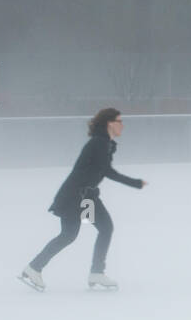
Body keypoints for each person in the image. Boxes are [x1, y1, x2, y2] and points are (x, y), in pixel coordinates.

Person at [19, 108, 147, 292]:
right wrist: (136, 183)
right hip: (74, 197)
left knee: (103, 228)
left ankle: (96, 272)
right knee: (69, 235)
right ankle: (34, 268)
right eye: (119, 121)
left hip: (86, 198)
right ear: (110, 123)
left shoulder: (105, 143)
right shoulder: (99, 143)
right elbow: (106, 171)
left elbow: (102, 170)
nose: (122, 125)